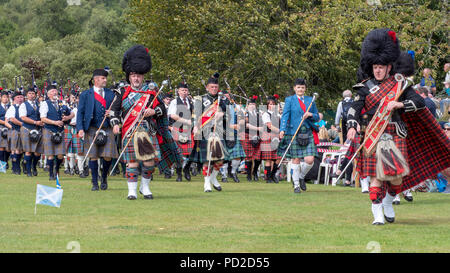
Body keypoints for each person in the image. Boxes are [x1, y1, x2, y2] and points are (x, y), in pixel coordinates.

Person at [346, 28, 450, 225]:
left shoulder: (400, 86)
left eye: (381, 67)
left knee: (395, 180)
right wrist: (352, 126)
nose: (377, 70)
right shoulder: (364, 88)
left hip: (395, 133)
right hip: (373, 136)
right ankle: (377, 216)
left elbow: (419, 102)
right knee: (376, 177)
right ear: (371, 66)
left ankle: (388, 201)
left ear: (388, 67)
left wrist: (399, 104)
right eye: (375, 66)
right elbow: (354, 108)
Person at [111, 45, 182, 199]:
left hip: (146, 131)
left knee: (149, 161)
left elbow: (163, 110)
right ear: (129, 76)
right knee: (132, 162)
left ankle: (145, 187)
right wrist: (115, 124)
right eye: (133, 75)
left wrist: (153, 111)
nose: (136, 78)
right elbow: (113, 111)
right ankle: (131, 191)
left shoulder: (151, 93)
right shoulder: (122, 92)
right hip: (129, 131)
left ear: (143, 77)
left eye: (138, 76)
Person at [77, 69, 119, 191]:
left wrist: (111, 113)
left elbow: (117, 110)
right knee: (93, 156)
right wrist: (80, 128)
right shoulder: (86, 94)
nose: (105, 80)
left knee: (107, 156)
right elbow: (80, 113)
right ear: (95, 80)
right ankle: (95, 182)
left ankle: (104, 178)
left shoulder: (111, 94)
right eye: (102, 78)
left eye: (105, 78)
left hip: (107, 128)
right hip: (91, 128)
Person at [278, 78, 320, 194]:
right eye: (298, 87)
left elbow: (317, 117)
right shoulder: (289, 100)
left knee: (310, 160)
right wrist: (282, 129)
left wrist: (310, 114)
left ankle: (301, 177)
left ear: (305, 89)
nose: (300, 89)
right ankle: (296, 185)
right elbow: (285, 115)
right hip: (293, 132)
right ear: (294, 88)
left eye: (302, 87)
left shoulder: (310, 100)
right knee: (295, 159)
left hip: (307, 132)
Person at [190, 73, 228, 192]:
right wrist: (195, 127)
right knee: (207, 159)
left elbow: (230, 114)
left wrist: (222, 114)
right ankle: (206, 183)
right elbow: (195, 116)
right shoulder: (200, 99)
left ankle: (213, 178)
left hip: (219, 131)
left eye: (216, 87)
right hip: (204, 131)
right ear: (207, 87)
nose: (214, 89)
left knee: (221, 159)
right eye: (211, 87)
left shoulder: (223, 99)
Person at [40, 85, 74, 180]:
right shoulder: (45, 104)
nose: (55, 93)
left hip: (60, 131)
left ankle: (57, 169)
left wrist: (67, 118)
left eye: (56, 91)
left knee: (60, 154)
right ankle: (51, 174)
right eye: (52, 91)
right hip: (49, 130)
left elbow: (72, 113)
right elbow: (42, 118)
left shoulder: (62, 103)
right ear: (48, 94)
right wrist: (54, 122)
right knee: (50, 154)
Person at [168, 81, 194, 182]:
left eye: (186, 90)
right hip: (178, 128)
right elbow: (172, 115)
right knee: (178, 152)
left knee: (190, 153)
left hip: (188, 129)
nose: (185, 92)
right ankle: (179, 174)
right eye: (182, 90)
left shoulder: (190, 102)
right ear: (178, 91)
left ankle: (186, 169)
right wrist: (186, 120)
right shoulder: (174, 102)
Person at [19, 87, 43, 177]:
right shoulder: (23, 105)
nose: (31, 95)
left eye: (33, 93)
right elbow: (23, 117)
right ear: (26, 95)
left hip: (37, 130)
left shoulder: (39, 104)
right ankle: (28, 171)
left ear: (35, 95)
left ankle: (34, 166)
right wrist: (35, 122)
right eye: (29, 93)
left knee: (37, 152)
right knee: (28, 151)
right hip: (27, 129)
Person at [242, 95, 263, 182]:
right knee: (249, 156)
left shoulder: (259, 114)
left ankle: (254, 172)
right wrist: (258, 128)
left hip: (257, 136)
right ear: (247, 106)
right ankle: (248, 175)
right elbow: (246, 125)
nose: (252, 106)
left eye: (253, 104)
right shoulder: (245, 114)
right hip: (247, 135)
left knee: (258, 157)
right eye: (250, 104)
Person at [261, 94, 281, 183]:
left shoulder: (278, 114)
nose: (271, 105)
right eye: (270, 104)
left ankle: (273, 174)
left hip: (277, 137)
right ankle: (268, 177)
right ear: (267, 105)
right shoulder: (265, 114)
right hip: (268, 136)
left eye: (273, 104)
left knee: (278, 158)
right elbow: (269, 126)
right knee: (268, 159)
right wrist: (280, 131)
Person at [5, 92, 24, 175]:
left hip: (23, 131)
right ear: (14, 99)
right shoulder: (12, 108)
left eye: (21, 97)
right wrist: (22, 125)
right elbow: (11, 119)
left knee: (20, 150)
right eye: (18, 97)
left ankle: (16, 167)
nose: (20, 99)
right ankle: (16, 168)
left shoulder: (24, 107)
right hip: (15, 130)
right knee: (15, 150)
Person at [0, 90, 11, 166]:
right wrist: (5, 123)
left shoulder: (11, 106)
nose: (5, 99)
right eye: (4, 97)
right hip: (1, 127)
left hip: (10, 128)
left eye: (7, 97)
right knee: (1, 147)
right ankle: (2, 165)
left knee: (8, 148)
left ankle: (6, 161)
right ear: (0, 98)